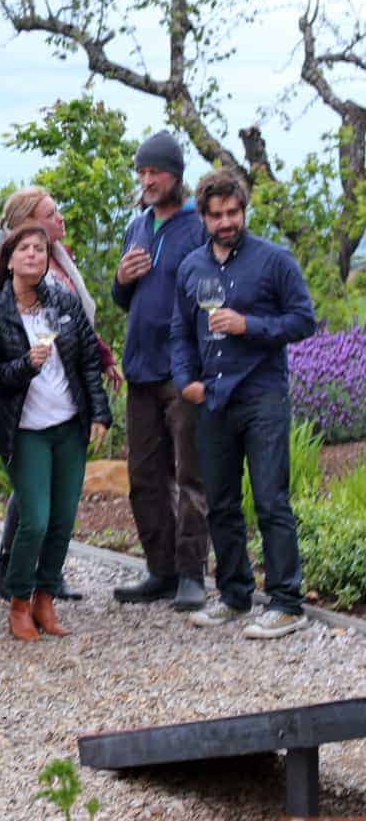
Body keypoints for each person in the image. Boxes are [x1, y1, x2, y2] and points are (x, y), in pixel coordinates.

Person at [171, 167, 316, 639]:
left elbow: (302, 321)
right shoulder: (192, 267)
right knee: (221, 503)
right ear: (204, 217)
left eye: (233, 212)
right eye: (217, 215)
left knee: (272, 500)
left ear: (243, 210)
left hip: (262, 395)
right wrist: (184, 380)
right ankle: (234, 596)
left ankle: (286, 603)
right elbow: (180, 331)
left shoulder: (275, 261)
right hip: (212, 398)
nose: (226, 222)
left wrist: (248, 325)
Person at [0, 186, 122, 603]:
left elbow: (80, 343)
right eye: (49, 213)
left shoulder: (62, 278)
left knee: (57, 515)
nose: (59, 218)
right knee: (33, 512)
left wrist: (100, 396)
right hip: (23, 415)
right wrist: (22, 367)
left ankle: (42, 590)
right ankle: (14, 583)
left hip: (65, 416)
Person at [110, 131, 209, 612]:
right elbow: (122, 297)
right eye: (142, 172)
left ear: (177, 176)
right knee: (144, 478)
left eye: (156, 172)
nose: (147, 180)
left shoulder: (198, 228)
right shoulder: (138, 225)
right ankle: (161, 570)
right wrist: (120, 280)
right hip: (141, 369)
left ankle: (192, 574)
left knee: (190, 477)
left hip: (182, 371)